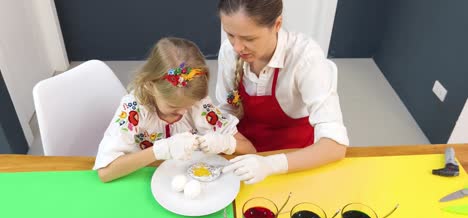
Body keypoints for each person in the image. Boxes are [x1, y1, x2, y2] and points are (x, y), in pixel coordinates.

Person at [216, 0, 349, 184]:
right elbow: (227, 111)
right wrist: (224, 141)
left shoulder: (305, 58)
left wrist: (270, 165)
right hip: (244, 151)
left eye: (249, 39)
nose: (237, 47)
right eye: (230, 34)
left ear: (277, 24)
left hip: (291, 159)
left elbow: (335, 146)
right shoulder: (229, 52)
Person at [94, 37, 256, 182]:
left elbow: (250, 150)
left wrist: (226, 143)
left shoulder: (199, 106)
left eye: (189, 106)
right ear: (150, 86)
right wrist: (159, 150)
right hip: (144, 180)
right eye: (173, 107)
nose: (183, 113)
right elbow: (105, 173)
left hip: (186, 179)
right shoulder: (133, 109)